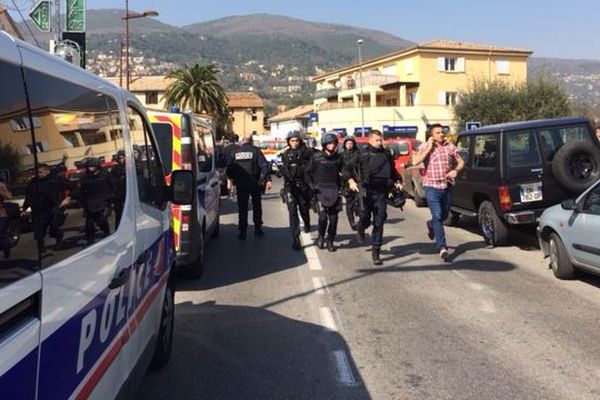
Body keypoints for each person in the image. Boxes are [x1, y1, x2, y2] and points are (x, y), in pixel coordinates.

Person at [345, 130, 403, 265]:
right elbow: (346, 169)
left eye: (380, 140)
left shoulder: (386, 153)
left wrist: (397, 181)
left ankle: (376, 250)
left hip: (381, 192)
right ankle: (361, 227)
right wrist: (351, 181)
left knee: (380, 220)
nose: (380, 142)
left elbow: (393, 170)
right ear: (370, 140)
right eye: (377, 140)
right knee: (365, 217)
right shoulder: (362, 153)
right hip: (366, 192)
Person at [411, 123, 465, 261]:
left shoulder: (449, 146)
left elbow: (461, 162)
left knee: (443, 216)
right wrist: (428, 147)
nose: (441, 134)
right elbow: (415, 161)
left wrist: (455, 170)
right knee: (437, 215)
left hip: (446, 186)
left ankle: (431, 225)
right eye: (438, 132)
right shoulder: (424, 146)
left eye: (442, 132)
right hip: (431, 187)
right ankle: (442, 247)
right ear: (432, 135)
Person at [226, 132, 272, 240]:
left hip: (241, 184)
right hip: (255, 183)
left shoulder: (235, 152)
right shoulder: (256, 151)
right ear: (251, 140)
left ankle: (242, 231)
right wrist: (266, 179)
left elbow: (230, 168)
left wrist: (232, 180)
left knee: (242, 207)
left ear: (242, 140)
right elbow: (264, 166)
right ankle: (257, 229)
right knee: (257, 206)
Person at [306, 133, 343, 252]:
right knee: (322, 218)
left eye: (334, 143)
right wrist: (312, 186)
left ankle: (331, 240)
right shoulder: (316, 157)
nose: (332, 146)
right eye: (330, 143)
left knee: (333, 219)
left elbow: (344, 173)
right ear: (324, 144)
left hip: (334, 191)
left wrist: (344, 186)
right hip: (320, 191)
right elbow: (307, 173)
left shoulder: (338, 158)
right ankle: (321, 236)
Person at [279, 131, 312, 250]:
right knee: (292, 212)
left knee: (303, 208)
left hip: (303, 186)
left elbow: (311, 166)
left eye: (297, 140)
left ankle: (307, 223)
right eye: (292, 141)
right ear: (288, 142)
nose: (295, 143)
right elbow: (281, 169)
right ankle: (295, 238)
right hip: (290, 187)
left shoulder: (306, 153)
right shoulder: (285, 154)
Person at [22, 164, 65, 253]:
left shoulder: (54, 180)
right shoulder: (33, 183)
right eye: (36, 173)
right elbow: (29, 196)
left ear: (47, 171)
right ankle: (41, 248)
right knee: (38, 232)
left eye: (40, 172)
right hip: (38, 210)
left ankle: (59, 238)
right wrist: (25, 208)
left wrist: (64, 200)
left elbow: (67, 187)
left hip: (51, 208)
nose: (38, 174)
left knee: (53, 227)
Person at [80, 158, 113, 245]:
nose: (90, 168)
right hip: (91, 203)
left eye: (91, 166)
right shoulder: (85, 177)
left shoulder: (105, 174)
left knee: (102, 220)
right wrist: (83, 202)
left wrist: (111, 199)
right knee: (89, 223)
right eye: (88, 167)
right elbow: (82, 191)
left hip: (104, 201)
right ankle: (90, 240)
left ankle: (106, 233)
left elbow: (112, 185)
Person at [341, 136, 360, 230]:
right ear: (344, 145)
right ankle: (351, 221)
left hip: (358, 180)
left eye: (351, 143)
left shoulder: (358, 154)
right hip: (346, 181)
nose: (350, 145)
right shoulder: (341, 155)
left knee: (360, 200)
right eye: (348, 143)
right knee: (350, 202)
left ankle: (360, 217)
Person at [110, 150, 127, 227]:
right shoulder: (115, 168)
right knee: (119, 214)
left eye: (123, 158)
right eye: (120, 158)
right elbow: (112, 180)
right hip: (119, 195)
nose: (121, 160)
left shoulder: (130, 167)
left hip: (128, 193)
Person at [0, 177, 12, 259]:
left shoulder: (1, 185)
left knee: (1, 235)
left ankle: (6, 247)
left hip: (1, 215)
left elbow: (9, 196)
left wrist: (1, 190)